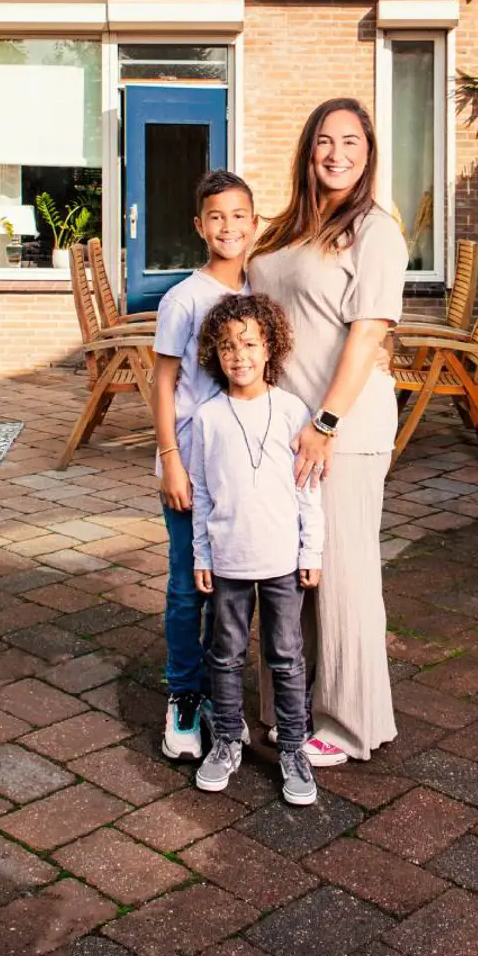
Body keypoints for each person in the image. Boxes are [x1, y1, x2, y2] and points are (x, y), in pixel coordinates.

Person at [249, 97, 408, 763]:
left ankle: (349, 724)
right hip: (285, 428)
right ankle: (289, 704)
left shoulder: (374, 230)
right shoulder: (289, 225)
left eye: (350, 141)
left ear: (368, 153)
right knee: (287, 574)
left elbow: (370, 332)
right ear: (307, 150)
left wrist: (326, 421)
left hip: (343, 427)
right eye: (323, 140)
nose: (336, 152)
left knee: (342, 575)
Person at [190, 293, 322, 807]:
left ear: (270, 347)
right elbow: (201, 493)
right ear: (215, 355)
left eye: (248, 343)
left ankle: (292, 747)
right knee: (223, 655)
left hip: (283, 561)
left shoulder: (293, 412)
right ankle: (226, 738)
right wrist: (202, 554)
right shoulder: (207, 418)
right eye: (226, 347)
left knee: (286, 657)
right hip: (227, 560)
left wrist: (312, 550)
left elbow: (309, 487)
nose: (238, 355)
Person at [150, 169, 255, 761]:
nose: (228, 227)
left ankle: (222, 694)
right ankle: (183, 695)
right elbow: (163, 385)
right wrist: (170, 461)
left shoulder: (254, 295)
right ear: (198, 226)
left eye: (238, 215)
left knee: (231, 590)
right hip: (189, 469)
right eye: (216, 216)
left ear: (254, 222)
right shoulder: (183, 299)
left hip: (237, 473)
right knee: (188, 588)